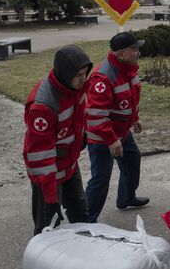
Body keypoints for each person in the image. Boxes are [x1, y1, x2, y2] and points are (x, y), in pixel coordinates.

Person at [23, 45, 93, 235]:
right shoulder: (43, 106)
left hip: (69, 166)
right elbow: (40, 157)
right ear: (65, 73)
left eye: (85, 73)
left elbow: (77, 117)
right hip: (48, 177)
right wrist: (51, 197)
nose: (83, 79)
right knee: (47, 227)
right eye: (78, 74)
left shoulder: (75, 88)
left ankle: (84, 257)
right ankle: (41, 261)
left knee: (81, 216)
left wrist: (82, 136)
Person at [84, 32, 149, 223]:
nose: (138, 53)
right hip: (102, 137)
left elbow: (129, 97)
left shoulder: (127, 68)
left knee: (132, 160)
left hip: (121, 132)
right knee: (101, 178)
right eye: (134, 49)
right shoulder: (102, 78)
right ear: (121, 53)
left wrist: (134, 118)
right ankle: (86, 220)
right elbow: (95, 115)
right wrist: (111, 139)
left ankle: (126, 198)